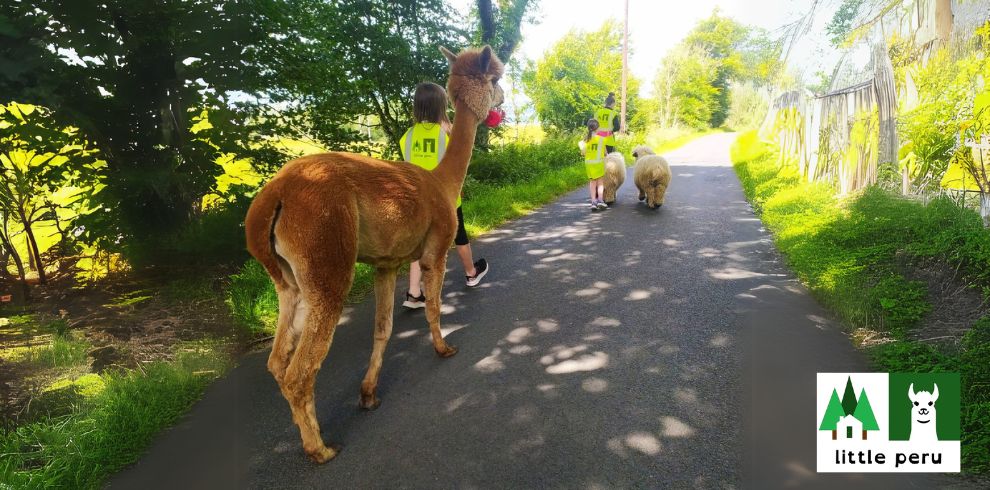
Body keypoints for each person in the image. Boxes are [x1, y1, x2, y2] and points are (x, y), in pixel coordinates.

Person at [400, 82, 489, 309]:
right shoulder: (447, 133)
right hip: (446, 198)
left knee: (419, 245)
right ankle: (471, 273)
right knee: (459, 235)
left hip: (418, 200)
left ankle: (413, 292)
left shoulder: (407, 136)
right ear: (442, 106)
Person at [582, 118, 608, 211]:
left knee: (592, 183)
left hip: (589, 164)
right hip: (599, 163)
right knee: (600, 183)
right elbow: (605, 153)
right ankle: (600, 200)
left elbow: (583, 153)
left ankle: (593, 202)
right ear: (597, 128)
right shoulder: (602, 139)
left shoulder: (585, 140)